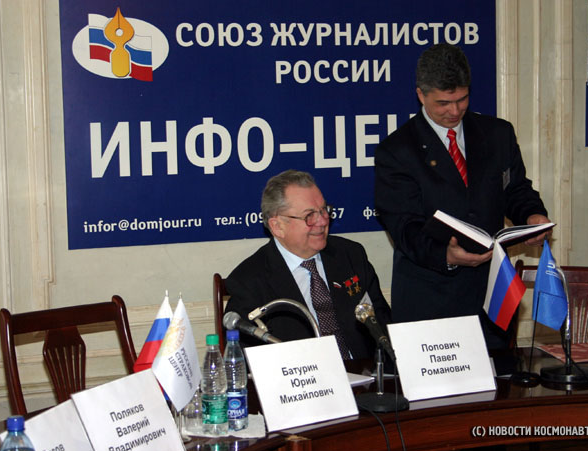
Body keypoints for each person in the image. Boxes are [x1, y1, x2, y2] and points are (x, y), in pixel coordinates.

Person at [374, 43, 551, 358]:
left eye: (462, 99)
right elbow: (404, 226)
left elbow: (516, 190)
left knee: (500, 383)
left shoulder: (498, 134)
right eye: (443, 103)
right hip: (430, 299)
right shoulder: (397, 151)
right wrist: (446, 255)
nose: (454, 111)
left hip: (491, 297)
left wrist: (533, 215)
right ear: (421, 95)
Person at [224, 170, 392, 360]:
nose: (323, 221)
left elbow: (383, 325)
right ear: (278, 226)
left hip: (365, 373)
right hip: (301, 376)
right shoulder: (248, 281)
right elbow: (249, 359)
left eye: (323, 210)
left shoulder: (350, 255)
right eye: (309, 215)